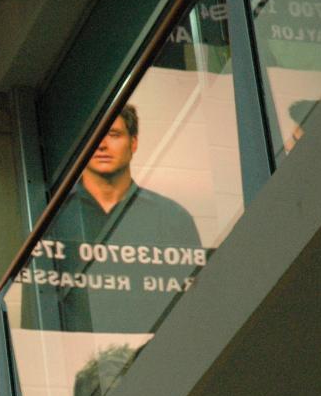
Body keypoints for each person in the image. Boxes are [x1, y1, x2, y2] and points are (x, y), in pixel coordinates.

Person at [19, 104, 204, 333]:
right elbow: (37, 305)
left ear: (133, 143)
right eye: (94, 137)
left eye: (114, 135)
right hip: (77, 356)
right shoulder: (52, 220)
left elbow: (197, 299)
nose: (102, 145)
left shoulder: (172, 217)